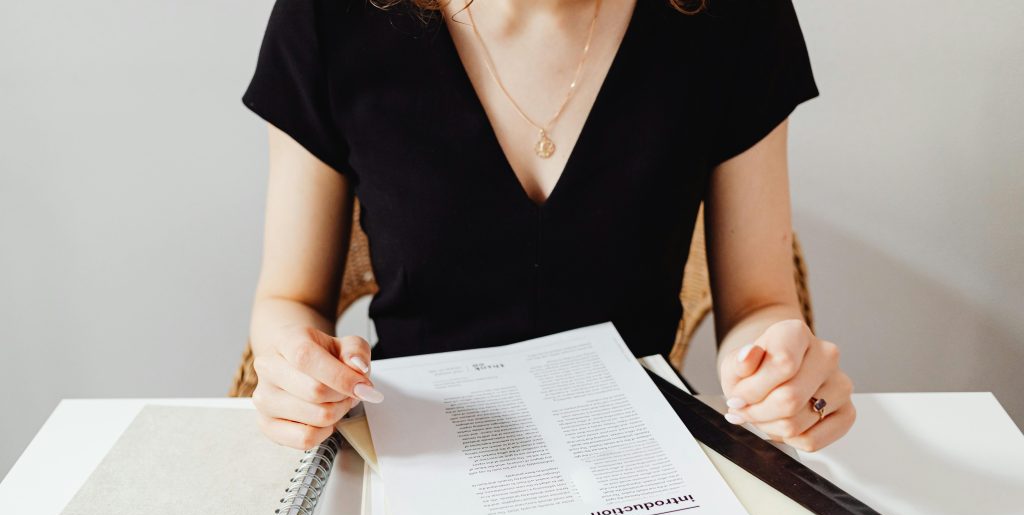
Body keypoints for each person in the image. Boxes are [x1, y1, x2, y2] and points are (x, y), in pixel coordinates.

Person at [242, 0, 855, 453]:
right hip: (417, 450)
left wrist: (775, 371)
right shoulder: (329, 16)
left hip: (645, 453)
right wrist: (295, 367)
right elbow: (290, 298)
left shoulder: (736, 15)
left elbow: (759, 302)